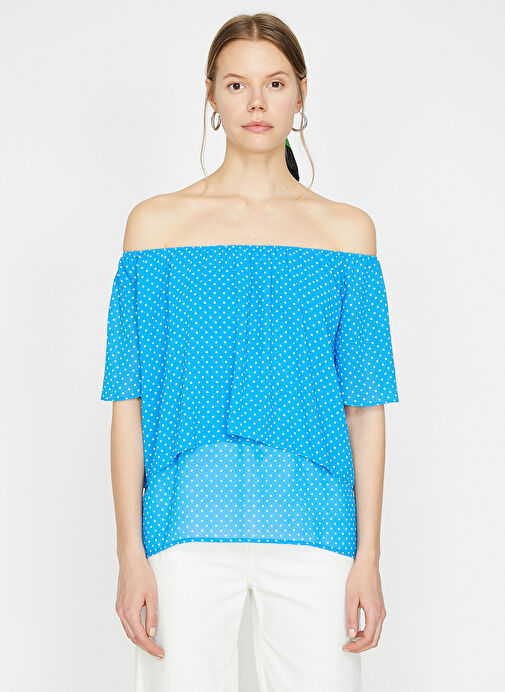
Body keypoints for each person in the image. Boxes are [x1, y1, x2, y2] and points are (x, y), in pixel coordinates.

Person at [100, 12, 399, 692]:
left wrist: (368, 557)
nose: (256, 103)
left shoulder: (347, 235)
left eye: (275, 83)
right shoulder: (155, 228)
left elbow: (365, 407)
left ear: (300, 94)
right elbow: (127, 401)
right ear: (211, 95)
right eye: (236, 85)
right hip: (182, 523)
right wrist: (129, 555)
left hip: (317, 524)